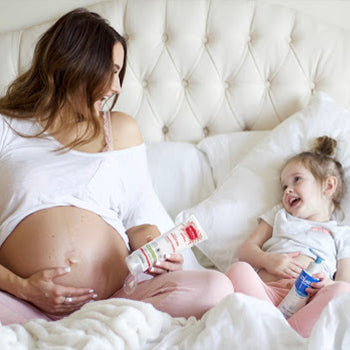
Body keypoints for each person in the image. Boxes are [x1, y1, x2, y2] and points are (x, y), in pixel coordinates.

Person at [0, 8, 234, 325]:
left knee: (215, 287)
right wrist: (25, 289)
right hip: (22, 304)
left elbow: (140, 221)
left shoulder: (120, 130)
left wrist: (155, 249)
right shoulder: (7, 127)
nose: (117, 87)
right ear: (77, 62)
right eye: (111, 71)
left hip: (117, 300)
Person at [225, 136, 350, 338]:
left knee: (343, 292)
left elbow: (345, 280)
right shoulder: (279, 215)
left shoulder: (341, 233)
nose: (288, 190)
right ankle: (281, 335)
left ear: (328, 186)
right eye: (284, 187)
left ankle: (277, 334)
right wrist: (268, 260)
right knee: (238, 269)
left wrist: (328, 285)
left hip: (309, 301)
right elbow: (246, 250)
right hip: (267, 293)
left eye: (297, 179)